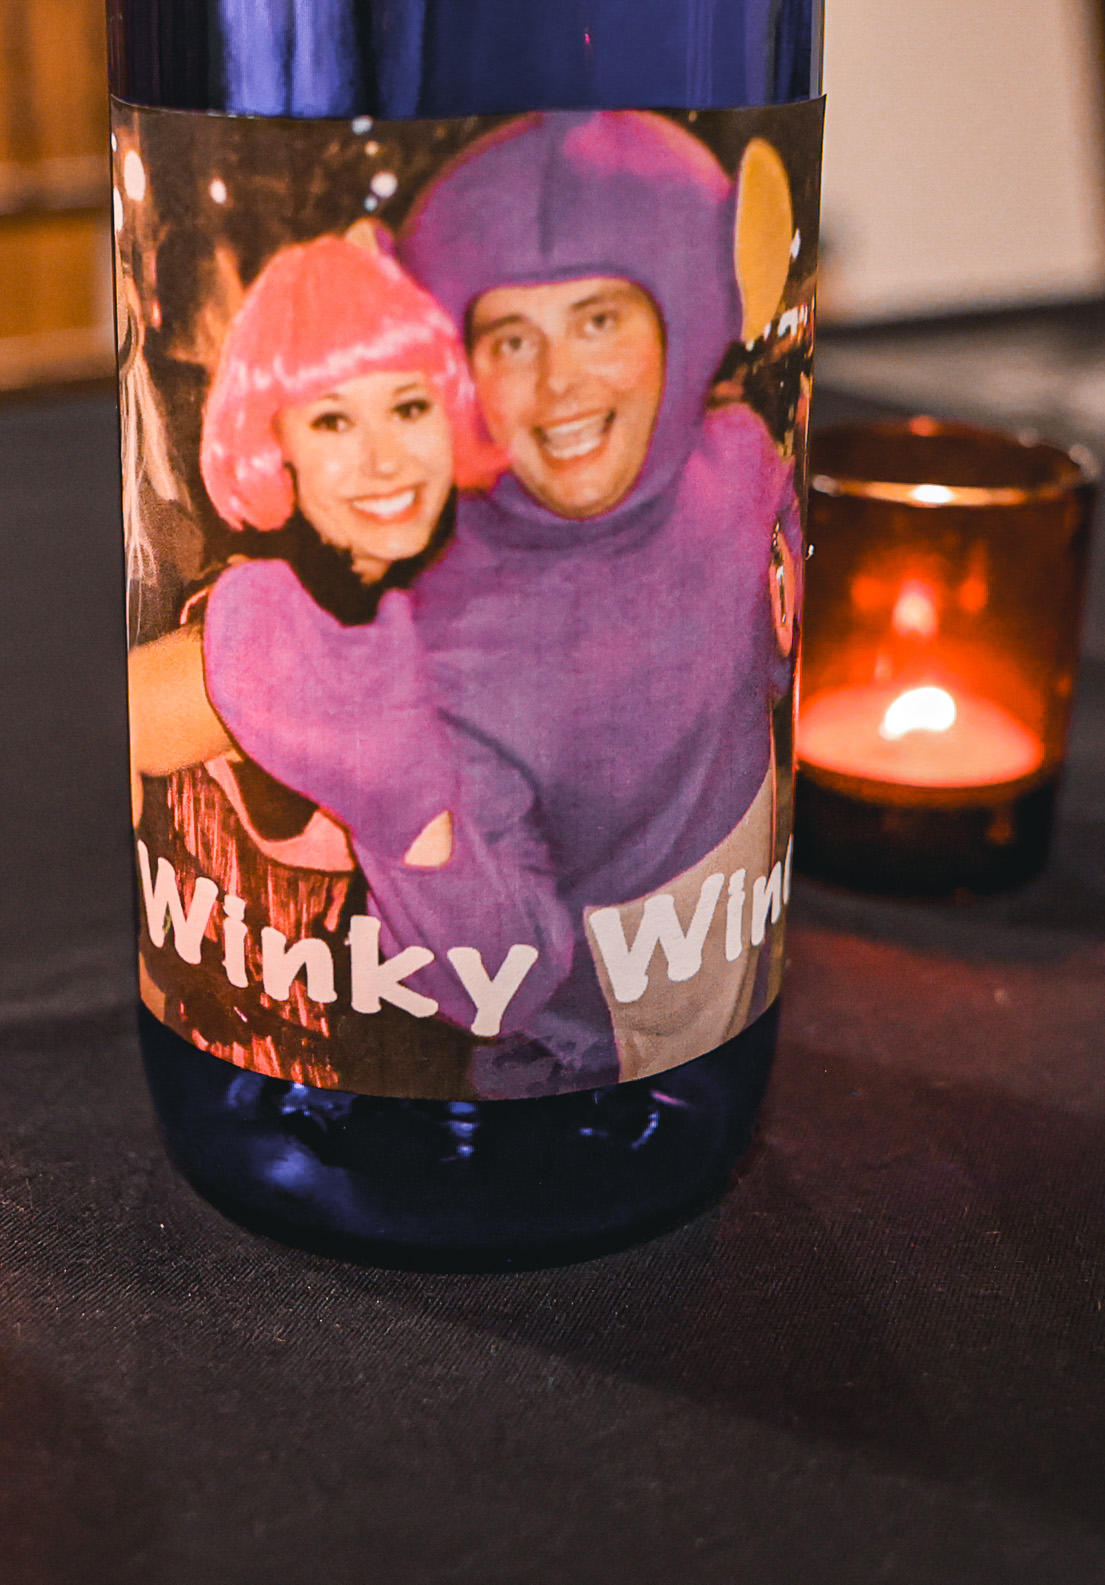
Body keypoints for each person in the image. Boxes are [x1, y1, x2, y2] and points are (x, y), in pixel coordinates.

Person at [198, 114, 801, 1099]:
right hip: (585, 1082)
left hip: (742, 1005)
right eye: (512, 339)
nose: (560, 383)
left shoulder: (741, 461)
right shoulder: (441, 644)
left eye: (599, 320)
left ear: (690, 310)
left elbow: (774, 658)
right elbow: (504, 979)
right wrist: (404, 807)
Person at [126, 228, 503, 1090]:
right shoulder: (260, 624)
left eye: (409, 408)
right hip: (255, 1090)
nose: (384, 459)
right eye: (334, 418)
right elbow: (140, 726)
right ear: (275, 443)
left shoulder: (491, 622)